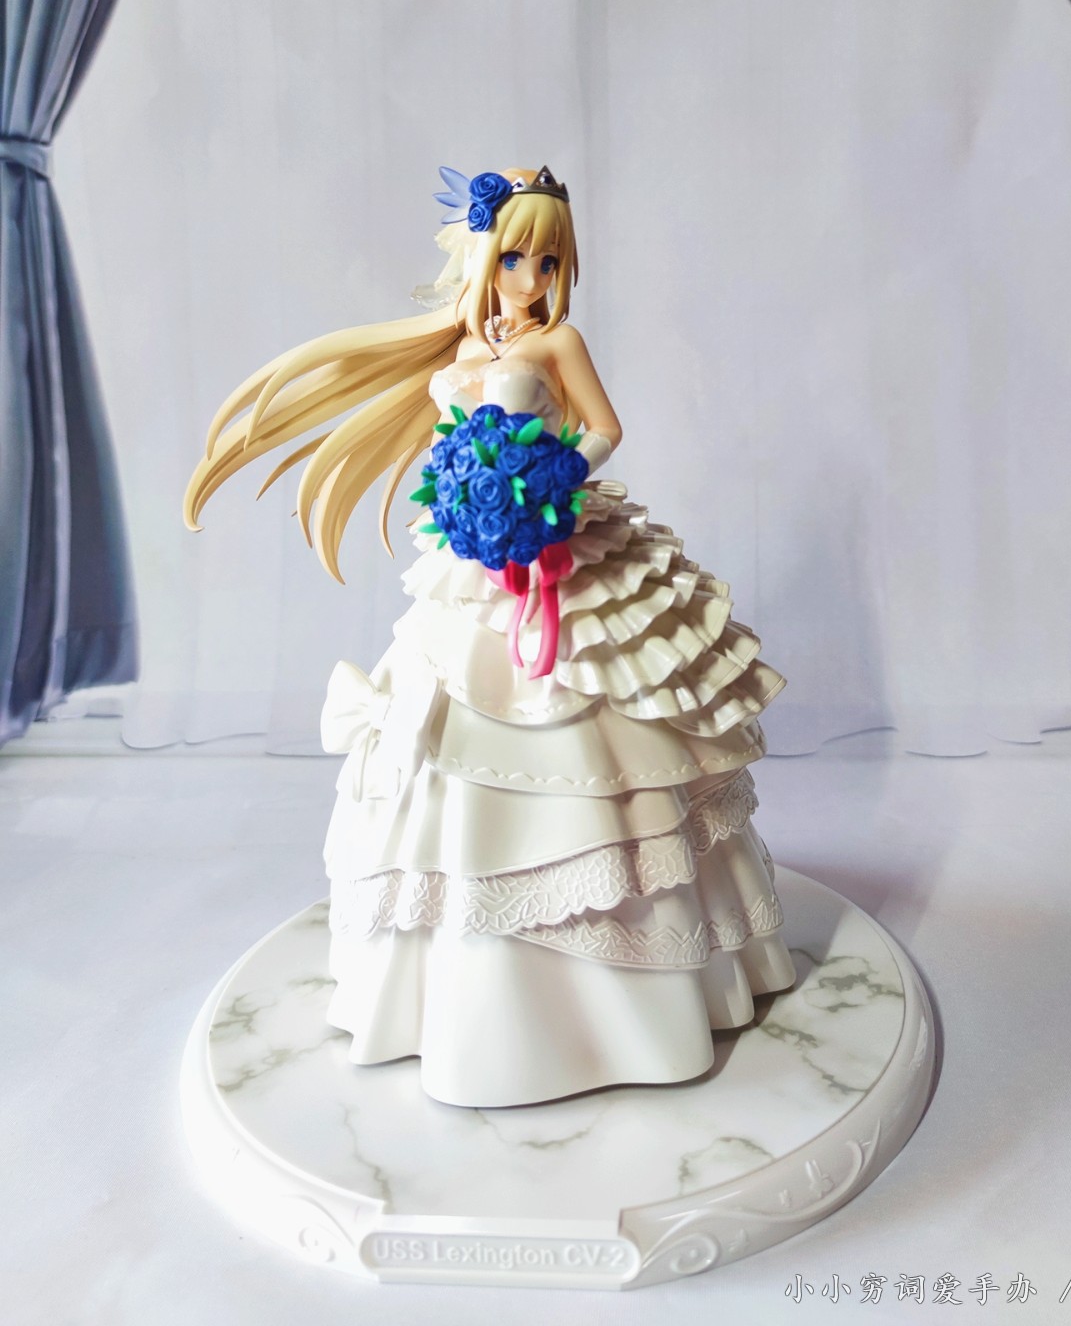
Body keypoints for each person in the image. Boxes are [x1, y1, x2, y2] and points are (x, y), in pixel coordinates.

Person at [185, 165, 795, 1107]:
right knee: (451, 730)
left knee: (591, 726)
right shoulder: (470, 343)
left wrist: (551, 479)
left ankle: (632, 980)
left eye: (549, 261)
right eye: (516, 257)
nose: (532, 277)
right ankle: (455, 986)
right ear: (484, 257)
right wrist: (470, 494)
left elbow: (605, 427)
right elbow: (449, 443)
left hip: (551, 539)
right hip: (473, 554)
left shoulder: (559, 342)